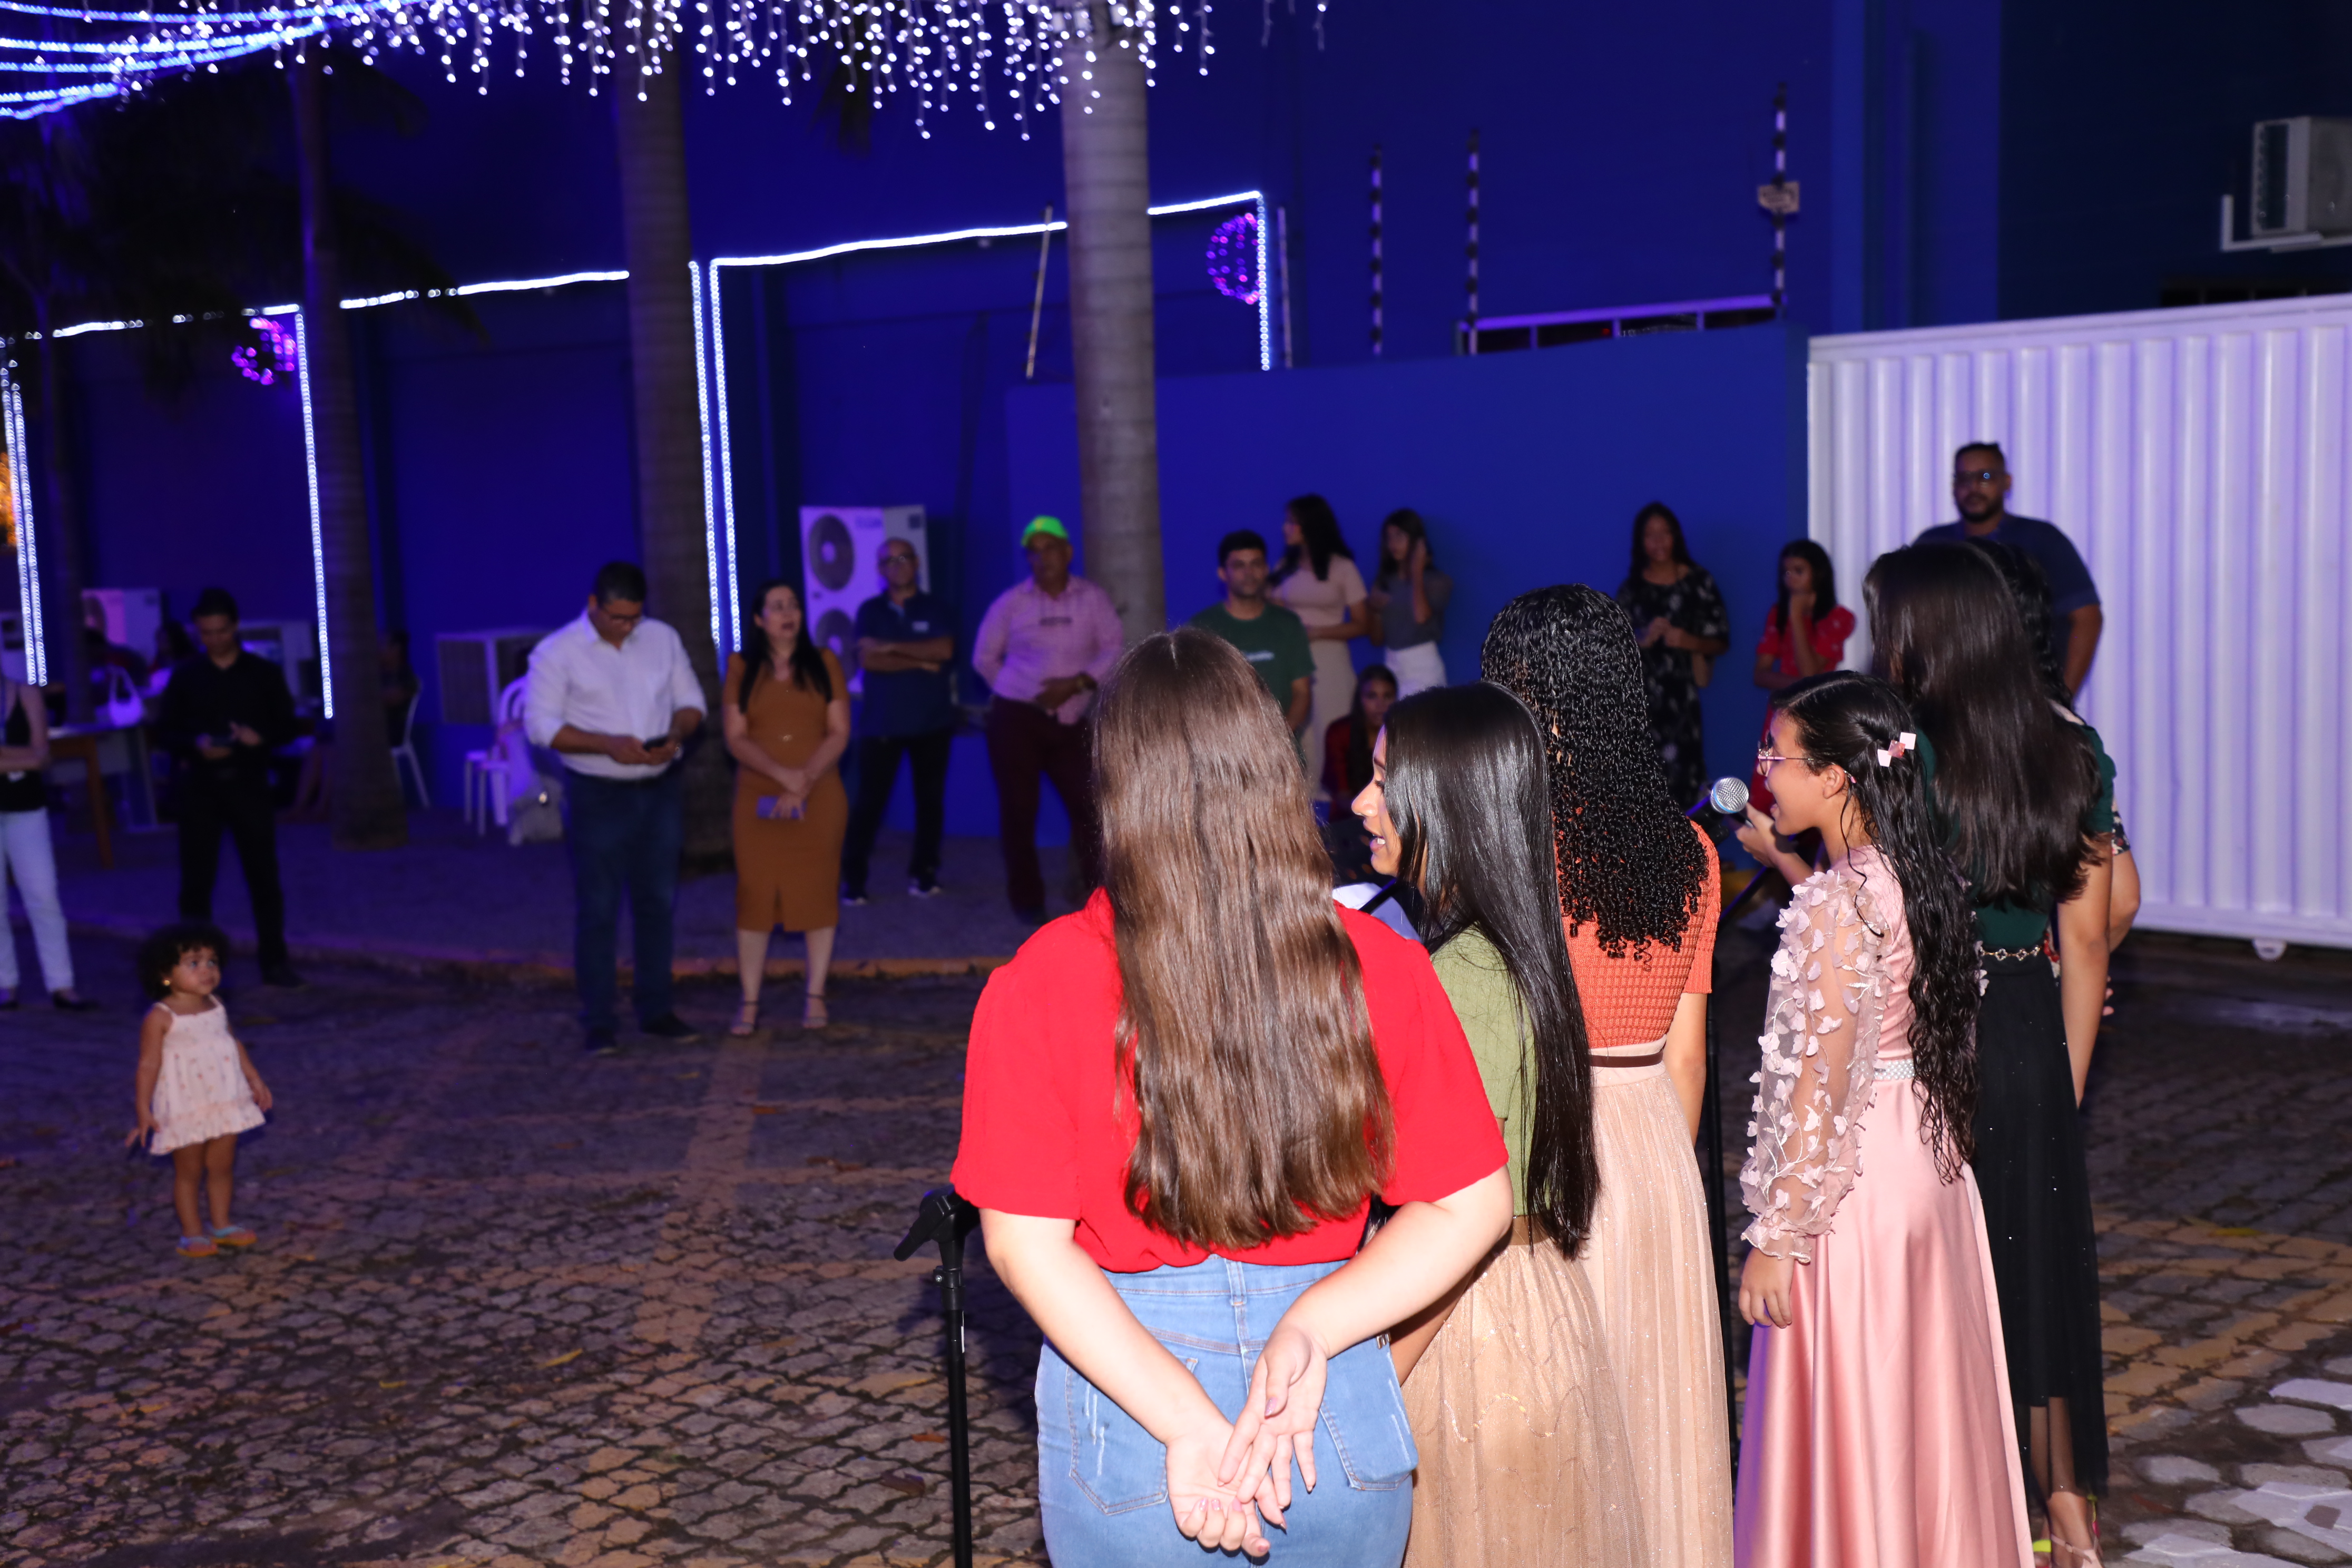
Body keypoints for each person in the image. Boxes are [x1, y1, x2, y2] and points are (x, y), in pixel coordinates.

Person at [951, 628, 1512, 1566]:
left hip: (1130, 1406)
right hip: (1325, 1418)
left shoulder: (1042, 980)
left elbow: (1021, 1244)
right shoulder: (1380, 963)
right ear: (1270, 767)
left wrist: (1186, 1422)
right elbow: (1473, 1205)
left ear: (1117, 785)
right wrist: (1312, 1326)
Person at [1732, 671, 2032, 1567]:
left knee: (1858, 1397)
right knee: (1926, 1402)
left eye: (1776, 755)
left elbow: (1818, 1086)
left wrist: (1778, 1234)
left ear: (1833, 775)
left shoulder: (1838, 901)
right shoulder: (1924, 878)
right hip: (1927, 1163)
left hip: (1854, 1181)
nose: (1763, 772)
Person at [1856, 543, 2113, 1565]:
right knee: (2034, 1271)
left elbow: (1873, 912)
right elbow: (2086, 941)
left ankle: (1955, 1500)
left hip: (1927, 1029)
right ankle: (2066, 1513)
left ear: (1927, 633)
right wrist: (2063, 1083)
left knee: (1941, 1270)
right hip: (2026, 1029)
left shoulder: (1904, 750)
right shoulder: (2070, 747)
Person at [1355, 682, 1643, 1566]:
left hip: (1466, 1325)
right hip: (1526, 1298)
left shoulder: (1464, 976)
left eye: (1382, 781)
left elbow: (1450, 1213)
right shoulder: (1508, 947)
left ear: (1443, 801)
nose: (1361, 802)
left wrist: (1373, 1390)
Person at [1482, 584, 1734, 1568]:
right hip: (1655, 1146)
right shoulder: (1691, 850)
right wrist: (1657, 1172)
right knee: (1652, 1406)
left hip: (1551, 1136)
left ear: (1540, 703)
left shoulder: (1517, 846)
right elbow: (1688, 1055)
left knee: (1553, 1416)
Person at [523, 561, 707, 1055]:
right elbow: (540, 726)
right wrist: (607, 744)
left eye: (634, 618)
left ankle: (657, 1009)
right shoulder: (557, 652)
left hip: (660, 791)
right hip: (598, 795)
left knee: (657, 904)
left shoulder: (662, 638)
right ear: (593, 605)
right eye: (617, 618)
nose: (627, 627)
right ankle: (599, 1020)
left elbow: (692, 702)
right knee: (599, 908)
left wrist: (676, 734)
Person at [972, 516, 1121, 925]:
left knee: (1091, 808)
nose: (1042, 558)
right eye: (1034, 552)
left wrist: (1076, 684)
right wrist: (1016, 692)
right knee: (1019, 812)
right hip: (1017, 719)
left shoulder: (1092, 599)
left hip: (1071, 719)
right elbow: (984, 658)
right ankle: (1028, 902)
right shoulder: (1012, 602)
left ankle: (1099, 899)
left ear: (1068, 552)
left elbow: (1114, 648)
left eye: (1050, 548)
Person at [156, 588, 303, 989]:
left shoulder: (263, 673)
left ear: (235, 627)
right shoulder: (187, 675)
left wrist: (259, 737)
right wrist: (196, 743)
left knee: (263, 877)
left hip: (248, 784)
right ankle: (194, 968)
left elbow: (289, 725)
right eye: (206, 633)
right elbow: (164, 731)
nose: (214, 639)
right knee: (196, 882)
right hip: (200, 788)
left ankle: (274, 962)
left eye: (221, 631)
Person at [723, 581, 849, 1035]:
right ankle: (750, 1001)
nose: (788, 613)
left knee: (818, 891)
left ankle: (815, 995)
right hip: (758, 799)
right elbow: (735, 736)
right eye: (777, 607)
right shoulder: (741, 667)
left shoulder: (825, 662)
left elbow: (839, 731)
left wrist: (804, 780)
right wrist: (783, 776)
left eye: (793, 605)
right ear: (759, 619)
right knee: (755, 895)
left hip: (819, 795)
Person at [125, 923, 271, 1260]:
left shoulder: (216, 1005)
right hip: (186, 1104)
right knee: (189, 1172)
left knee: (221, 1166)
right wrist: (143, 1109)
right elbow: (148, 1064)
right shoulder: (160, 1017)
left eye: (212, 961)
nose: (207, 970)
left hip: (224, 1098)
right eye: (193, 963)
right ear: (165, 973)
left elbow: (232, 1043)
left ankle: (222, 1224)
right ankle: (191, 1232)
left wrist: (254, 1078)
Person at [1919, 442, 2103, 695]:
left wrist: (2062, 700)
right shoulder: (1931, 545)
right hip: (1947, 698)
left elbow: (2087, 619)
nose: (1973, 487)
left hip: (2025, 698)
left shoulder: (2042, 540)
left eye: (1985, 477)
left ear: (2007, 483)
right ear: (1954, 487)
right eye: (1964, 478)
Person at [840, 537, 956, 904]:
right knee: (869, 804)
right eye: (889, 560)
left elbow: (944, 650)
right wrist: (921, 661)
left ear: (917, 562)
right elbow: (870, 661)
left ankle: (924, 873)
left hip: (932, 722)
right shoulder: (870, 611)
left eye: (904, 557)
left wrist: (890, 646)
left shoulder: (937, 607)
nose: (898, 565)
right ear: (880, 570)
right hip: (882, 725)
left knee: (930, 804)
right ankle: (853, 880)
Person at [1615, 502, 1730, 808]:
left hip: (1683, 702)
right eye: (1650, 535)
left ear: (1676, 536)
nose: (1658, 542)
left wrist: (1687, 640)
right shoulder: (1632, 589)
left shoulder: (1698, 583)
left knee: (1686, 780)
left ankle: (1691, 838)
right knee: (1642, 781)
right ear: (1640, 541)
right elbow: (1613, 646)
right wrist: (1642, 639)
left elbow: (1720, 641)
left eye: (1664, 533)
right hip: (1641, 701)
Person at [0, 673, 94, 1008]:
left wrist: (12, 757)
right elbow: (33, 756)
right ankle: (5, 984)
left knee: (44, 895)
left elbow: (43, 756)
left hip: (27, 807)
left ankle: (61, 985)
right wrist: (22, 758)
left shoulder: (25, 693)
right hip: (22, 798)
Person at [1748, 540, 1854, 818]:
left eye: (1799, 571)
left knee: (1814, 785)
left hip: (1818, 715)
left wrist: (1796, 616)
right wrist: (1800, 688)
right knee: (1770, 785)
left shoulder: (1839, 617)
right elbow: (1760, 673)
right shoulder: (1778, 615)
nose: (1791, 579)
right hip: (1782, 714)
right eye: (1786, 572)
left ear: (1818, 574)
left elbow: (1809, 672)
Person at [1270, 495, 1371, 786]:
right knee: (1301, 729)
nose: (1286, 528)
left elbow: (1362, 624)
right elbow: (1272, 613)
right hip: (1293, 661)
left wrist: (1316, 632)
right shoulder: (1284, 567)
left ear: (1309, 525)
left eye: (1292, 522)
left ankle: (1338, 797)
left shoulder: (1342, 567)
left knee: (1331, 721)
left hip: (1331, 660)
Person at [1187, 529, 1314, 745]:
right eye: (1239, 566)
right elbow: (1194, 697)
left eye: (1256, 564)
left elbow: (1302, 692)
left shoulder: (1288, 624)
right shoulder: (1202, 628)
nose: (1249, 573)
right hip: (1224, 751)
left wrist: (1280, 737)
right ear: (1223, 573)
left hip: (1283, 750)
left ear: (1266, 569)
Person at [1321, 664, 1396, 881]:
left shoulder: (1400, 736)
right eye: (1372, 696)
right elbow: (1341, 792)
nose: (1380, 705)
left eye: (1387, 696)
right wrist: (1370, 814)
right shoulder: (1340, 732)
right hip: (1346, 827)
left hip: (1391, 824)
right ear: (1359, 699)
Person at [1367, 508, 1452, 697]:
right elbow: (1376, 640)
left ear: (1417, 540)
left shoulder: (1437, 581)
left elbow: (1421, 617)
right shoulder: (1385, 582)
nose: (1393, 544)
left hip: (1422, 663)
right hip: (1391, 663)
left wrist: (1417, 570)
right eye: (1389, 537)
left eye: (1399, 536)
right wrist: (1375, 610)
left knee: (1422, 713)